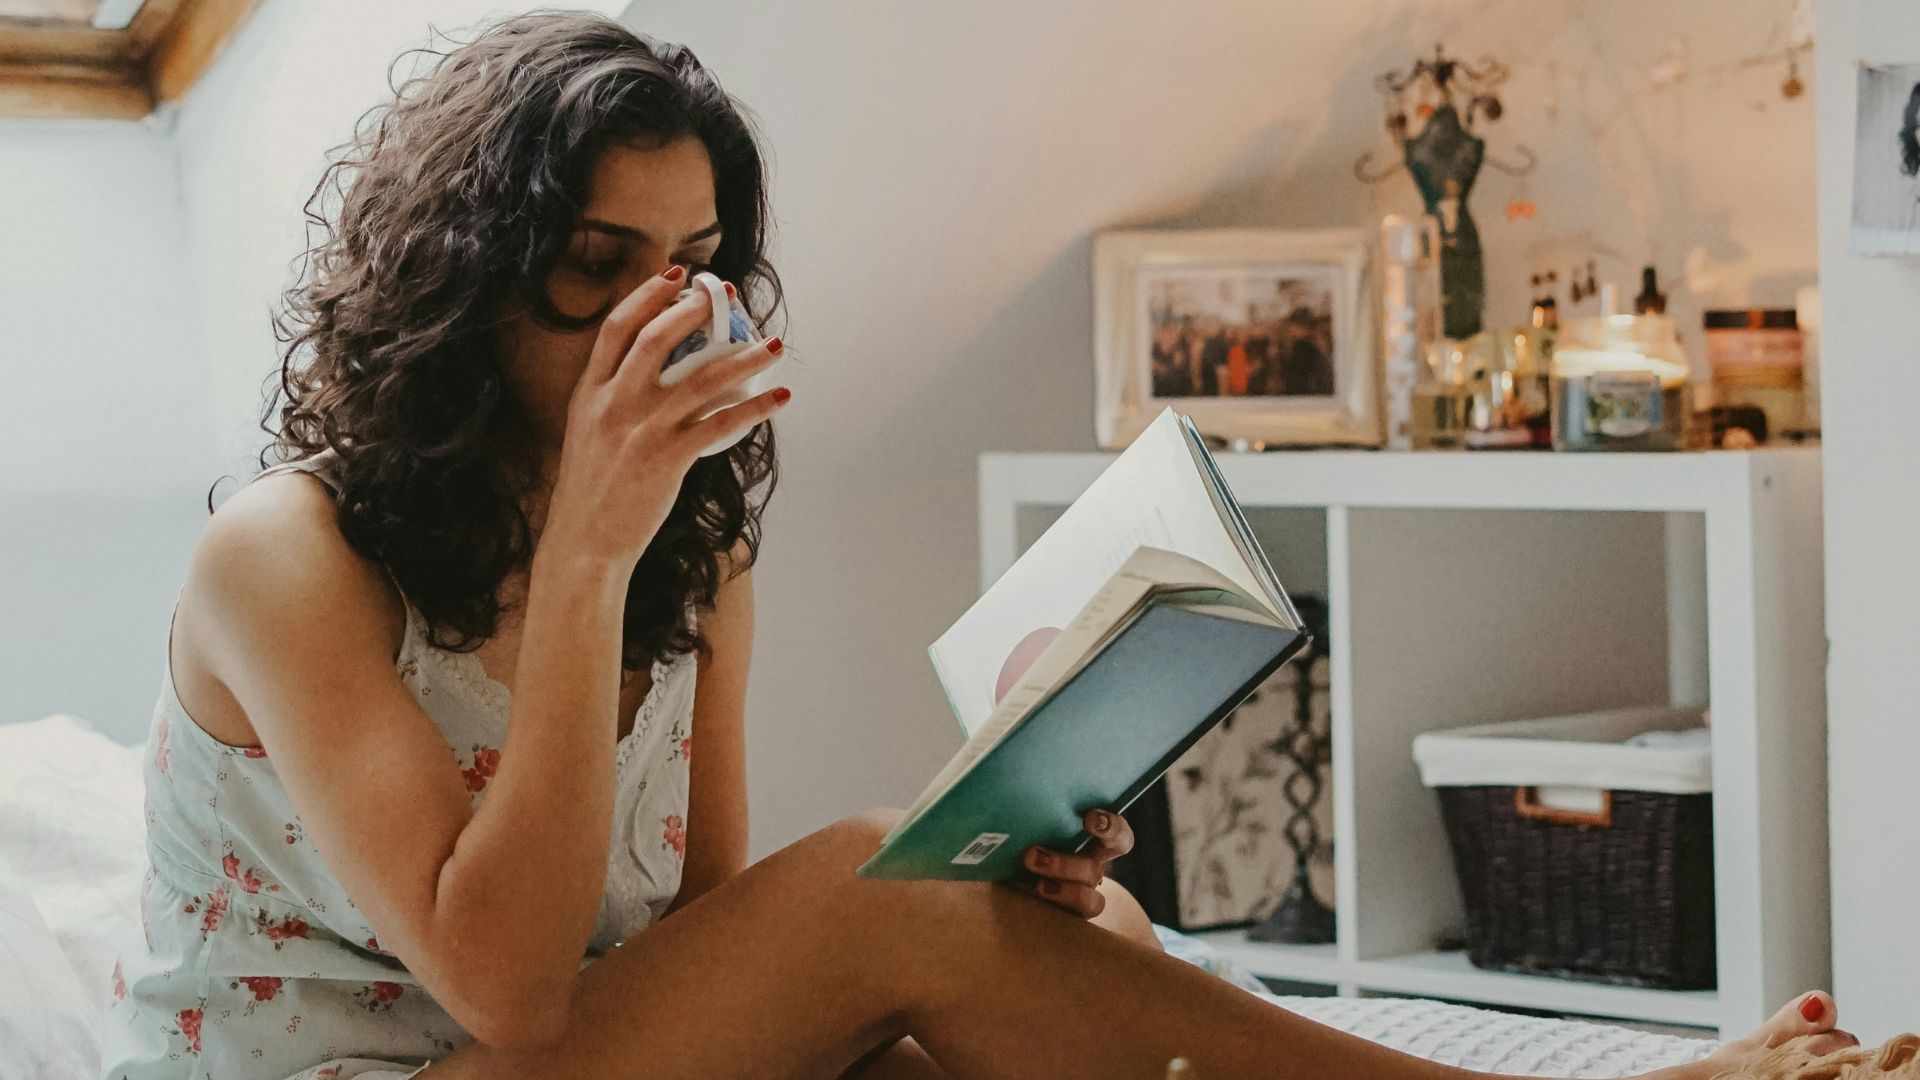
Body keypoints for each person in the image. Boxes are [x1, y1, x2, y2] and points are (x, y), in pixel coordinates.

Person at [99, 12, 1859, 1080]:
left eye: (695, 261)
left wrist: (999, 898)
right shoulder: (288, 557)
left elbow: (694, 953)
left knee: (1022, 983)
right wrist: (580, 562)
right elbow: (507, 989)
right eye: (597, 263)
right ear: (469, 279)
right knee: (887, 886)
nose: (667, 318)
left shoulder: (695, 543)